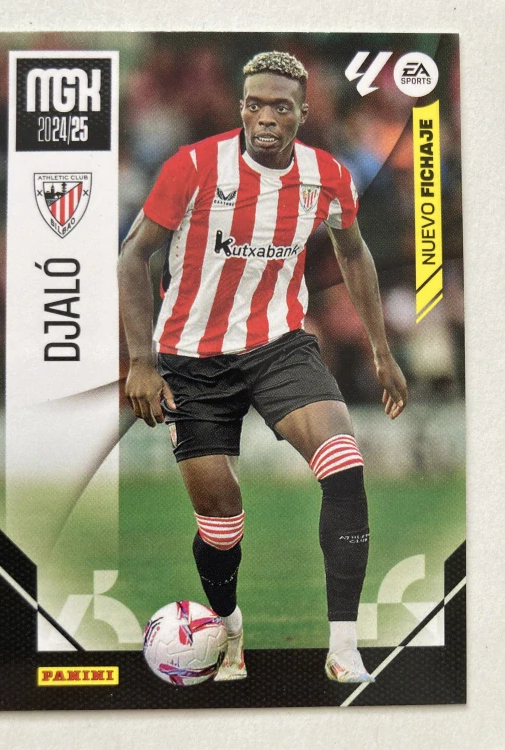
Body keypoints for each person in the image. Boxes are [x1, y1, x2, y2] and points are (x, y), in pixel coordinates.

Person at [118, 51, 407, 684]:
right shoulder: (194, 166)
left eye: (281, 106)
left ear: (303, 113)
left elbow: (354, 254)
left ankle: (343, 648)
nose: (266, 117)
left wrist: (382, 351)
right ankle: (228, 629)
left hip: (278, 344)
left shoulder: (328, 176)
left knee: (344, 466)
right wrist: (142, 361)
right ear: (240, 108)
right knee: (221, 527)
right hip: (191, 358)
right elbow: (133, 256)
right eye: (254, 105)